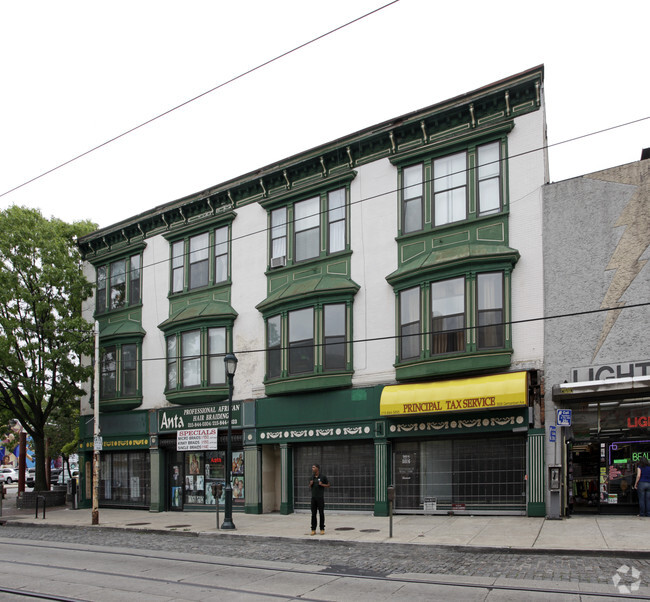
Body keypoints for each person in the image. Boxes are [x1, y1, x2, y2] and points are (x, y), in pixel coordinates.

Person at [309, 464, 330, 535]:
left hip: (320, 498)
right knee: (313, 514)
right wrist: (310, 484)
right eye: (312, 467)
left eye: (313, 467)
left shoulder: (323, 477)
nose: (312, 468)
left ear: (317, 468)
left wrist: (322, 484)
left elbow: (328, 485)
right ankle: (313, 529)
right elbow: (309, 486)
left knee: (321, 513)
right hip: (313, 498)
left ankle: (322, 528)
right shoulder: (312, 477)